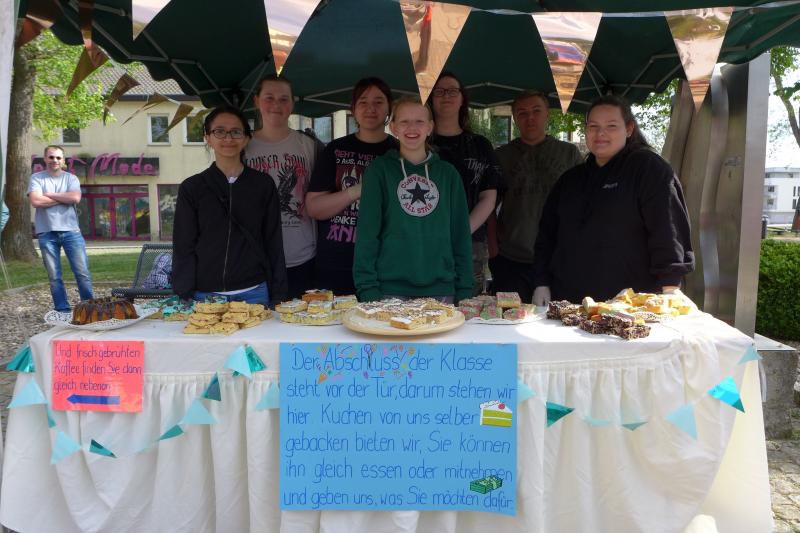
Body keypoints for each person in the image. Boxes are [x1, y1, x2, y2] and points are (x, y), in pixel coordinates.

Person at [532, 95, 695, 305]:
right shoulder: (570, 180)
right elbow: (546, 236)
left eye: (611, 126)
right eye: (593, 126)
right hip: (569, 304)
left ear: (629, 129)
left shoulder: (649, 170)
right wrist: (541, 282)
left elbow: (668, 230)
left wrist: (670, 288)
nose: (601, 134)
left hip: (629, 307)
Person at [353, 98, 473, 303]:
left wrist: (465, 289)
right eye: (404, 121)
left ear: (430, 127)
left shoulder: (448, 174)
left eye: (419, 121)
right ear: (393, 127)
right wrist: (367, 288)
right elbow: (367, 234)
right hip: (389, 290)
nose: (412, 128)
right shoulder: (379, 171)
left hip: (442, 289)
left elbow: (460, 234)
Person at [172, 105, 287, 306]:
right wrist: (184, 294)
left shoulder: (262, 185)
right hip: (205, 295)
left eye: (236, 132)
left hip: (254, 292)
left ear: (247, 138)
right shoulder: (192, 188)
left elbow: (273, 241)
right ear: (207, 138)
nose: (228, 138)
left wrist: (278, 293)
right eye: (219, 131)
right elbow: (183, 245)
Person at [306, 77, 398, 294]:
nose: (370, 109)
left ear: (389, 109)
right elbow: (314, 208)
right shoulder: (335, 150)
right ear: (353, 109)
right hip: (336, 263)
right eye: (363, 102)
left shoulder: (400, 153)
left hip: (385, 265)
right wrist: (356, 191)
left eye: (378, 102)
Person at [491, 90, 583, 303]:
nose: (530, 118)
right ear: (515, 118)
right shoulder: (501, 156)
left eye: (536, 111)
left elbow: (583, 203)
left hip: (557, 256)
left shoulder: (568, 154)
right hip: (511, 256)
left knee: (557, 318)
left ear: (547, 114)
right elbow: (489, 204)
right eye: (522, 113)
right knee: (510, 316)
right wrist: (493, 244)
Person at [244, 75, 323, 300]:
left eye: (283, 99)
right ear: (257, 101)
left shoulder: (309, 146)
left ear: (292, 103)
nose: (276, 105)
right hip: (256, 259)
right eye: (269, 97)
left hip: (302, 257)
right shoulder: (242, 146)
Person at [429, 72, 503, 295]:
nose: (446, 96)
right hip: (424, 240)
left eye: (453, 91)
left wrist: (460, 233)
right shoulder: (418, 144)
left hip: (470, 241)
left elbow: (489, 198)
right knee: (426, 307)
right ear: (430, 99)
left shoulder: (480, 145)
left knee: (468, 307)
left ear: (463, 99)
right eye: (439, 91)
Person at [27, 145, 93, 313]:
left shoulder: (71, 178)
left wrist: (48, 194)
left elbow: (75, 198)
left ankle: (89, 309)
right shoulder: (36, 178)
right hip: (46, 233)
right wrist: (64, 198)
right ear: (45, 158)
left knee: (82, 273)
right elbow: (36, 201)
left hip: (71, 232)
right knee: (54, 277)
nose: (54, 160)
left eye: (58, 157)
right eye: (51, 157)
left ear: (63, 160)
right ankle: (62, 310)